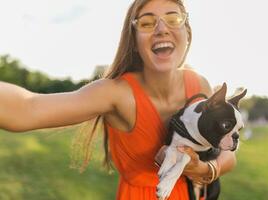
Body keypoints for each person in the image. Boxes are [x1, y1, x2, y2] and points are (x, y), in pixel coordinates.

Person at [0, 0, 237, 199]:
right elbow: (27, 108)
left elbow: (227, 150)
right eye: (147, 22)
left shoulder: (200, 85)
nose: (161, 28)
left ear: (187, 32)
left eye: (173, 18)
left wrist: (206, 170)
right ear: (134, 41)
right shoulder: (116, 93)